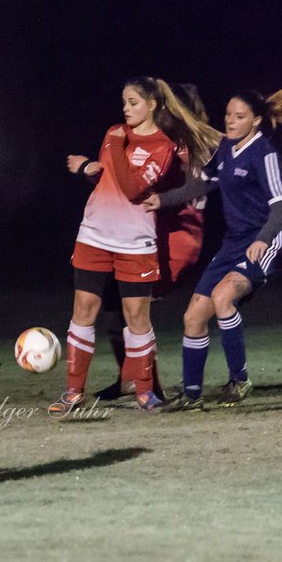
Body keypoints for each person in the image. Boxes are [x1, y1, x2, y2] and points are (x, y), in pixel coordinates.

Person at [53, 77, 218, 415]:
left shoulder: (162, 146)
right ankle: (73, 391)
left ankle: (146, 392)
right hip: (94, 234)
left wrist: (113, 148)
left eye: (133, 102)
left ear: (153, 105)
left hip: (135, 241)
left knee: (136, 315)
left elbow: (130, 187)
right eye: (124, 102)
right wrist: (89, 167)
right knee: (83, 310)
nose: (125, 109)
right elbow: (110, 179)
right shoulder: (115, 132)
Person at [144, 83, 282, 409]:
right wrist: (161, 199)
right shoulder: (226, 151)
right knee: (192, 317)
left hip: (268, 240)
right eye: (228, 115)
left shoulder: (265, 153)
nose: (230, 121)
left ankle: (240, 381)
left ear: (256, 121)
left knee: (223, 297)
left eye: (239, 116)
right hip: (233, 244)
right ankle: (191, 396)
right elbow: (202, 184)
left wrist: (262, 239)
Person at [91, 82, 210, 403]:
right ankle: (130, 379)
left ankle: (150, 388)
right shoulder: (191, 143)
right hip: (156, 238)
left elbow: (143, 186)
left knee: (131, 312)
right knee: (116, 309)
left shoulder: (177, 148)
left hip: (173, 243)